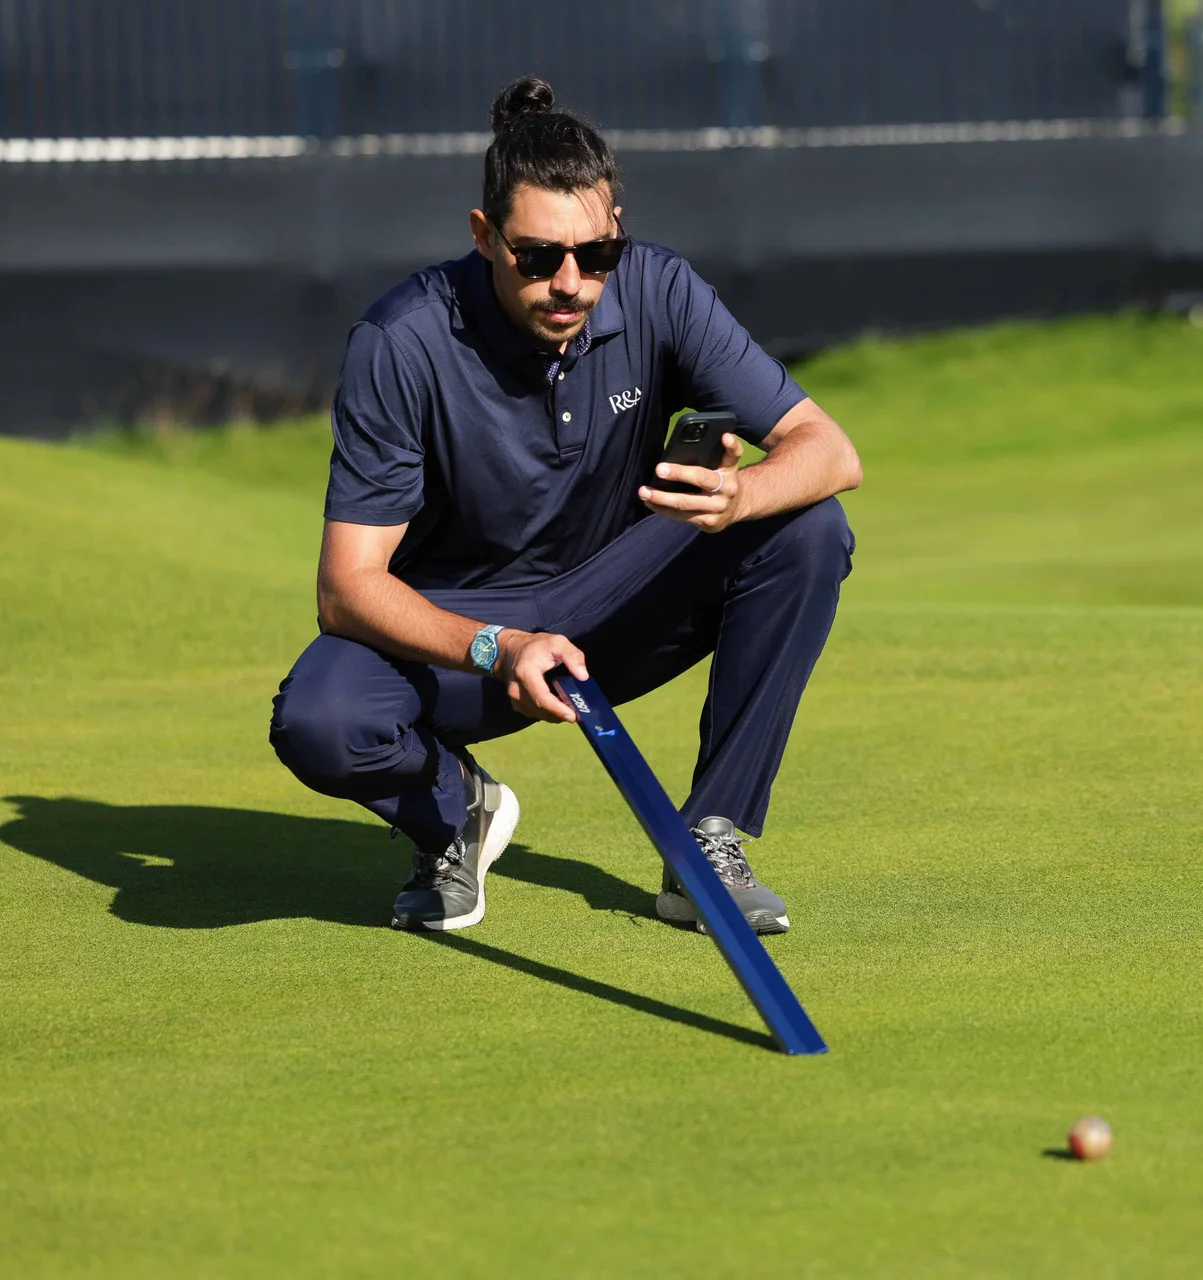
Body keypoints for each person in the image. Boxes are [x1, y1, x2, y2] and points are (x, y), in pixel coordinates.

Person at [269, 77, 861, 935]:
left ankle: (706, 836)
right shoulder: (399, 341)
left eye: (598, 255)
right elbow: (346, 589)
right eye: (538, 257)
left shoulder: (661, 288)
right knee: (321, 721)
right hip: (461, 630)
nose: (572, 284)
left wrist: (741, 494)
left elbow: (831, 451)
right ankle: (453, 813)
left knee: (806, 527)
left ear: (619, 227)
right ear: (484, 237)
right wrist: (497, 646)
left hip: (614, 604)